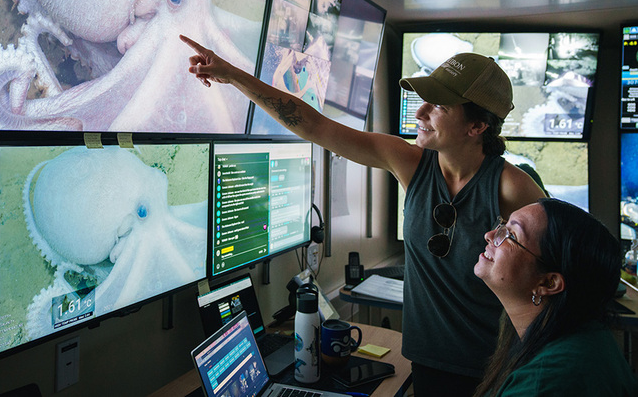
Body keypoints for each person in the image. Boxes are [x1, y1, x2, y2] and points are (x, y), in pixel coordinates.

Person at [180, 35, 547, 396]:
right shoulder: (410, 163)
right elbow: (314, 126)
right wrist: (234, 76)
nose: (419, 112)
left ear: (477, 126)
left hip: (493, 367)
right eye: (424, 101)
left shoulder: (513, 188)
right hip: (428, 361)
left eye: (439, 107)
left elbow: (557, 273)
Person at [473, 198, 638, 396]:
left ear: (548, 283)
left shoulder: (547, 382)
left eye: (511, 235)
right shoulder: (583, 333)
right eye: (503, 225)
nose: (490, 235)